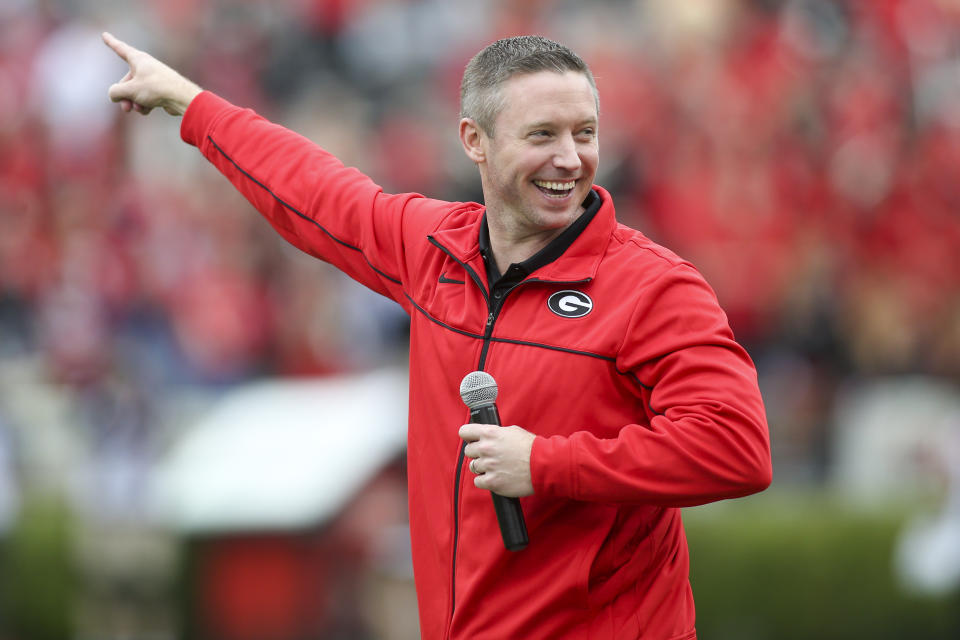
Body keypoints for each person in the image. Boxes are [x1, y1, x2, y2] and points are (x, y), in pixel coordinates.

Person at [102, 32, 772, 639]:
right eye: (542, 135)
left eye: (585, 132)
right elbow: (311, 190)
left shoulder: (654, 288)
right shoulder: (433, 251)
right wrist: (189, 104)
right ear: (474, 141)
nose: (570, 158)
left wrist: (546, 464)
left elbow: (737, 447)